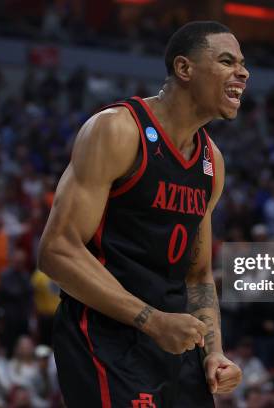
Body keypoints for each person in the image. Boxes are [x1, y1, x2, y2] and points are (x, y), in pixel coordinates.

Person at [38, 20, 247, 407]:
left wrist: (213, 351)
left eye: (242, 63)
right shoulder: (117, 130)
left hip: (175, 336)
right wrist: (151, 320)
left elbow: (198, 276)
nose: (243, 72)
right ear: (184, 69)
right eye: (226, 61)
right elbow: (57, 250)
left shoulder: (211, 162)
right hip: (107, 335)